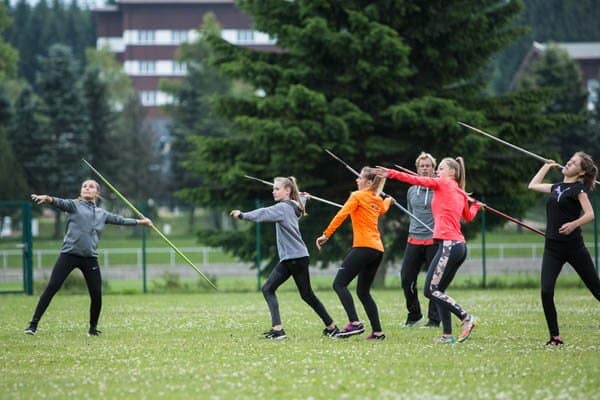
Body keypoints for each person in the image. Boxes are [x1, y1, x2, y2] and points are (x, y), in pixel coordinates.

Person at [24, 180, 152, 336]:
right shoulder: (73, 205)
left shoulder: (101, 214)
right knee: (52, 287)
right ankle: (33, 325)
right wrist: (47, 198)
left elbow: (120, 220)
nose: (87, 188)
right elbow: (58, 202)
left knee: (96, 293)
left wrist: (141, 222)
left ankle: (92, 329)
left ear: (97, 193)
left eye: (91, 187)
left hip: (90, 258)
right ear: (81, 191)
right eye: (84, 186)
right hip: (69, 255)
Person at [379, 157, 481, 344]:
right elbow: (468, 216)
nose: (437, 171)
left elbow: (416, 179)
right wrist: (475, 206)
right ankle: (447, 335)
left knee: (430, 290)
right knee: (439, 290)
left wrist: (391, 173)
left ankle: (466, 317)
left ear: (452, 173)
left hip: (450, 244)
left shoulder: (444, 183)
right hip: (457, 246)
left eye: (440, 168)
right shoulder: (458, 191)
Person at [230, 176, 338, 340]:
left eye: (277, 189)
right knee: (306, 295)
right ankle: (332, 327)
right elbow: (299, 203)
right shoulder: (295, 205)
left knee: (268, 289)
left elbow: (263, 212)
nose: (273, 191)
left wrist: (242, 215)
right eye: (273, 188)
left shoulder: (282, 208)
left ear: (287, 190)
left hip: (293, 258)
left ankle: (278, 331)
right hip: (298, 257)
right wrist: (303, 197)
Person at [527, 152, 600, 347]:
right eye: (570, 160)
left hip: (574, 247)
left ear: (581, 171)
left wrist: (573, 224)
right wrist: (546, 166)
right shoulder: (556, 187)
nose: (569, 162)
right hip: (552, 248)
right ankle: (555, 337)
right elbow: (532, 185)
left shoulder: (579, 189)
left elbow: (590, 214)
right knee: (546, 291)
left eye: (574, 162)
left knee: (596, 288)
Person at [316, 167, 393, 340]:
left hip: (364, 247)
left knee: (339, 284)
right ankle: (378, 332)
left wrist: (325, 235)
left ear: (368, 182)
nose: (356, 181)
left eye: (359, 178)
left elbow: (341, 215)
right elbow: (383, 210)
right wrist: (389, 201)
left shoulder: (357, 196)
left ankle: (355, 323)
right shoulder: (377, 199)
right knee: (363, 292)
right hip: (377, 250)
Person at [401, 152, 440, 328]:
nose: (425, 169)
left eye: (428, 166)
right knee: (406, 279)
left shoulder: (439, 189)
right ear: (417, 169)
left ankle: (434, 319)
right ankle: (414, 315)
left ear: (434, 169)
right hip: (414, 240)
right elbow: (411, 212)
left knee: (434, 282)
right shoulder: (411, 190)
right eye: (421, 166)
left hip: (434, 240)